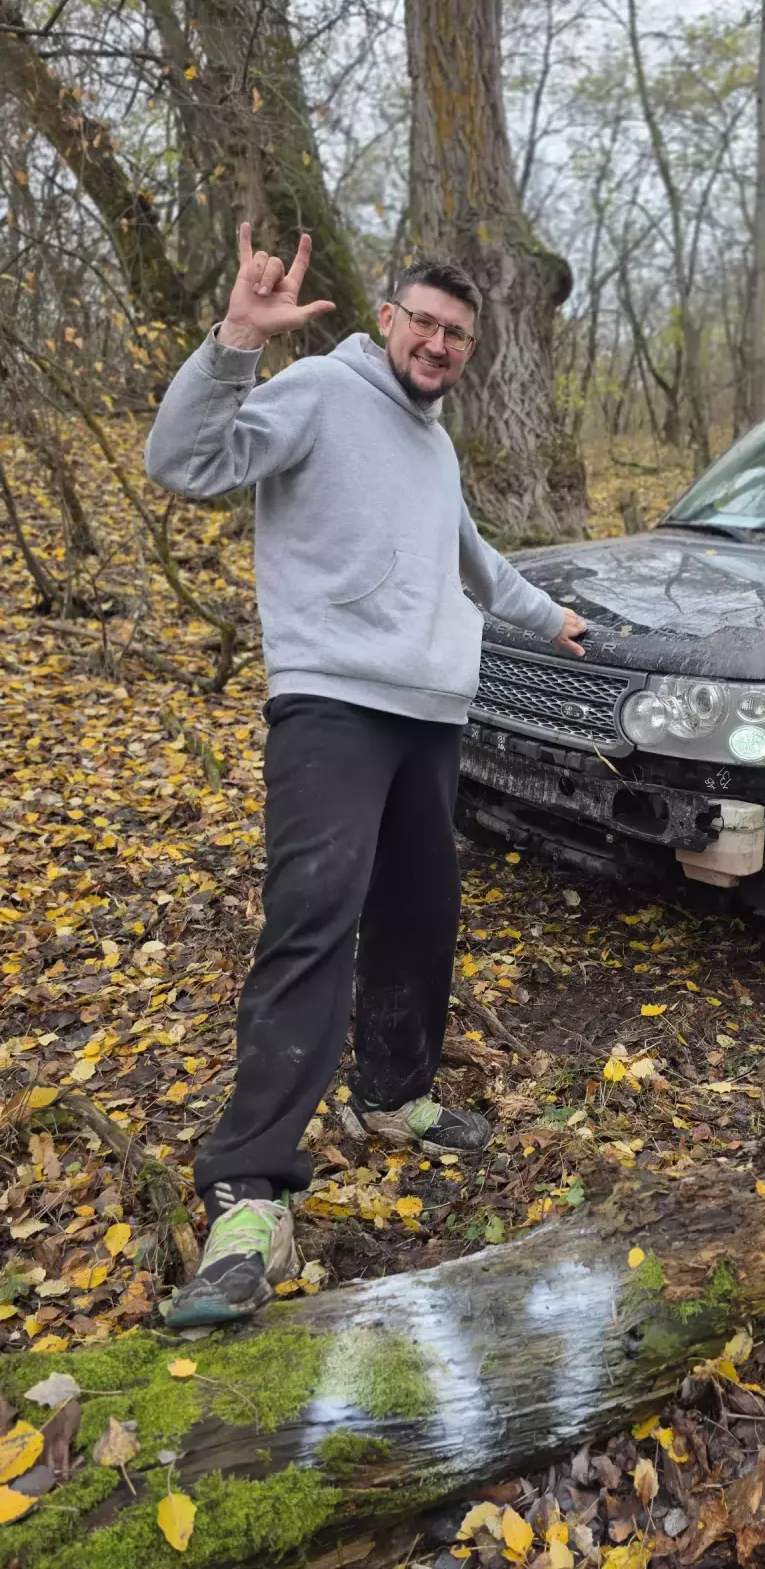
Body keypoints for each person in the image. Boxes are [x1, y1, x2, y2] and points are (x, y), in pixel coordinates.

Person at [144, 224, 587, 1327]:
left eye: (457, 335)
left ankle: (392, 1099)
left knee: (418, 916)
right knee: (312, 921)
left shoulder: (434, 445)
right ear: (387, 320)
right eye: (423, 323)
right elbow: (185, 464)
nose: (437, 344)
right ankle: (249, 1192)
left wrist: (555, 617)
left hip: (429, 716)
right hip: (333, 703)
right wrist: (236, 341)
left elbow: (473, 561)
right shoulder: (320, 397)